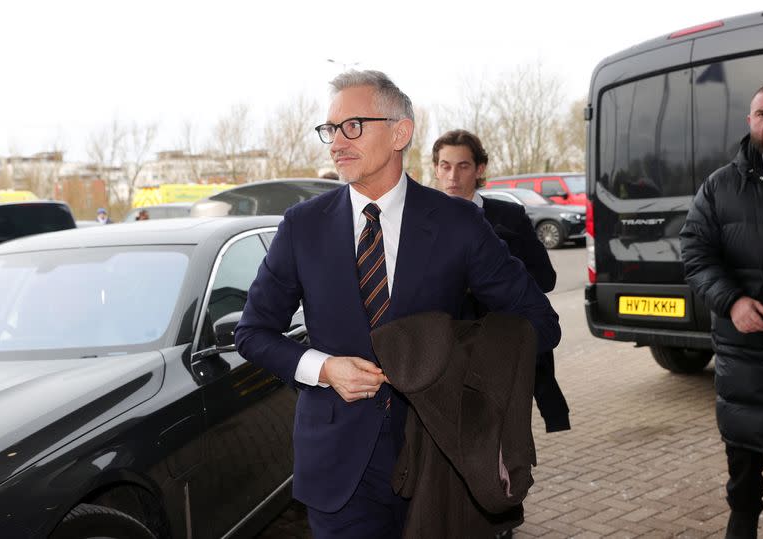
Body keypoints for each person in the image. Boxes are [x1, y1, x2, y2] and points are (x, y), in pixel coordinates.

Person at [234, 70, 560, 539]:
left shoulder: (458, 223)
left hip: (440, 458)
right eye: (331, 129)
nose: (337, 142)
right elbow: (251, 333)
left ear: (400, 132)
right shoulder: (302, 227)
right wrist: (323, 369)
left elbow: (539, 324)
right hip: (338, 467)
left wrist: (447, 357)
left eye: (354, 126)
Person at [681, 81, 763, 538]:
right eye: (762, 112)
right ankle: (742, 523)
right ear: (749, 121)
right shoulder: (720, 186)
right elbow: (695, 252)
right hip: (746, 348)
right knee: (744, 461)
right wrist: (732, 301)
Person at [432, 129, 570, 434]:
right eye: (445, 165)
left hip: (503, 353)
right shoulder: (422, 221)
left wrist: (495, 273)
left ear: (480, 169)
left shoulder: (508, 216)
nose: (452, 175)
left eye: (463, 166)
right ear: (436, 168)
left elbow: (545, 278)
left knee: (505, 447)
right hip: (448, 359)